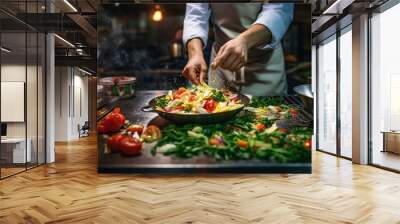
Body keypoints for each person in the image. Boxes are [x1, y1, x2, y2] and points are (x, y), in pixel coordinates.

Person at [182, 3, 293, 96]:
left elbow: (279, 11)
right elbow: (195, 15)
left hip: (265, 66)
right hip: (221, 66)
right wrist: (195, 53)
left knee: (271, 117)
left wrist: (245, 40)